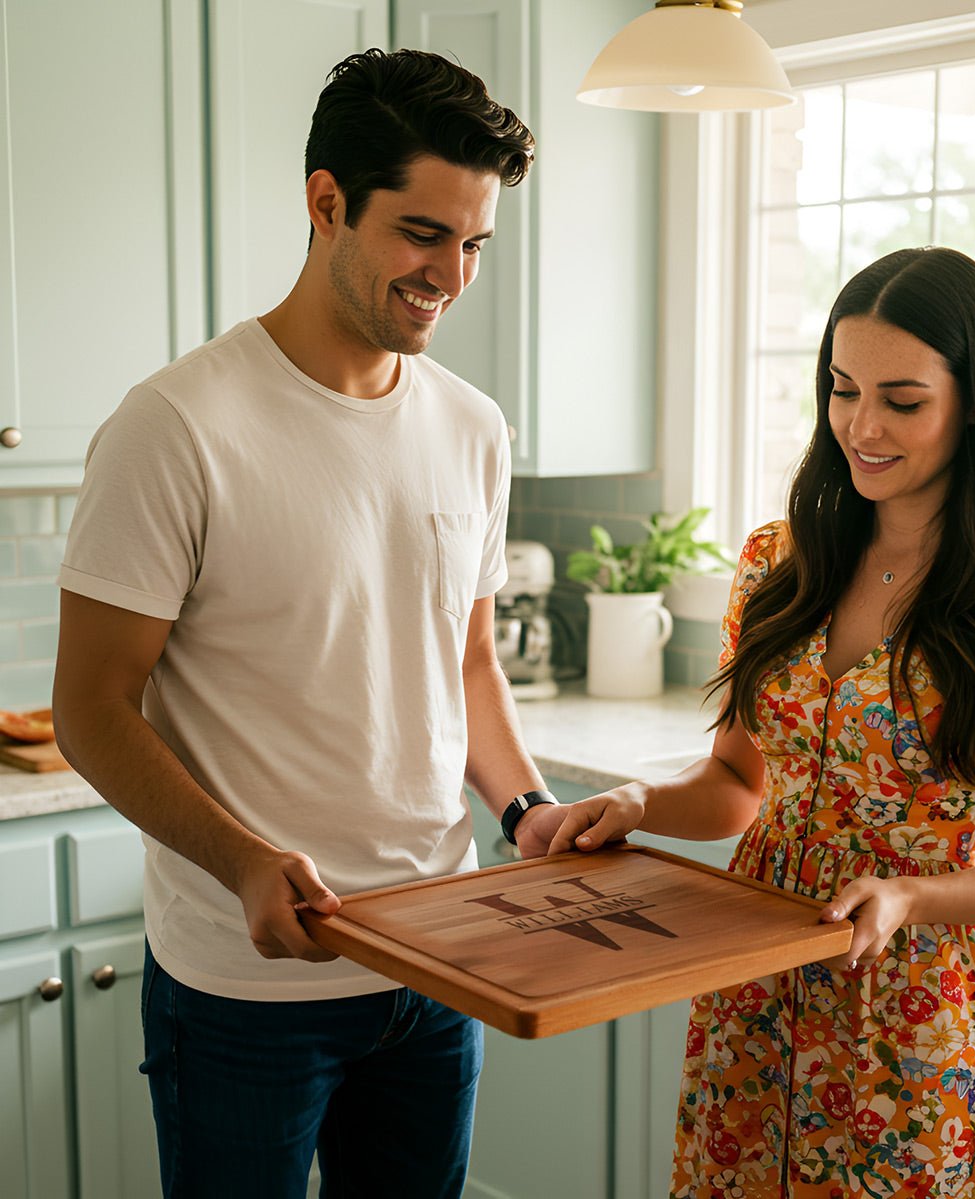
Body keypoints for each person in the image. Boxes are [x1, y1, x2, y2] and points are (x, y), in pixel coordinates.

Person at [52, 48, 568, 1199]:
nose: (453, 273)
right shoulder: (176, 426)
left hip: (436, 959)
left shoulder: (473, 427)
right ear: (326, 201)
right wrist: (242, 858)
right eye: (424, 233)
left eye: (476, 243)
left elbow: (468, 663)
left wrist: (526, 808)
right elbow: (90, 707)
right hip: (247, 986)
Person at [547, 247, 975, 1198]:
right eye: (843, 388)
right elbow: (737, 785)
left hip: (912, 1002)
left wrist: (907, 895)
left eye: (903, 399)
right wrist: (639, 801)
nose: (862, 425)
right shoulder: (780, 560)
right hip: (754, 983)